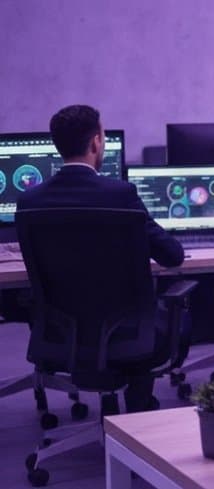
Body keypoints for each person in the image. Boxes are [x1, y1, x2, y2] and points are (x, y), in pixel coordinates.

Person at [16, 104, 185, 412]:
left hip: (61, 334)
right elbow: (172, 256)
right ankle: (138, 416)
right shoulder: (121, 195)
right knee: (174, 314)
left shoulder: (29, 201)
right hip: (129, 336)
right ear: (96, 141)